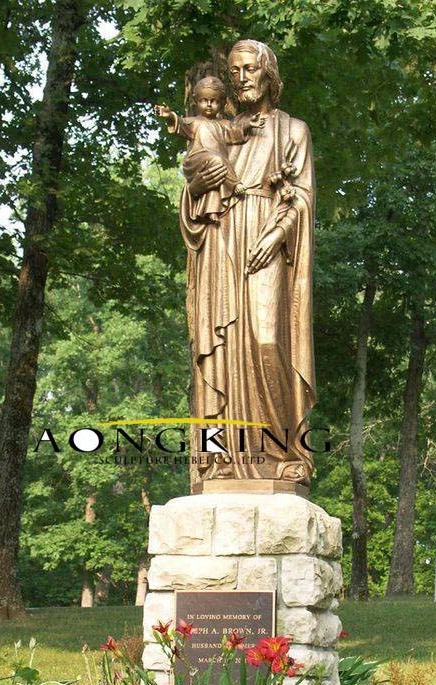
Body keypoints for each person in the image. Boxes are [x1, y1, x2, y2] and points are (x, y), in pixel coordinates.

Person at [179, 40, 316, 489]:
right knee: (219, 351)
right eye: (234, 70)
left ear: (269, 75)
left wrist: (276, 236)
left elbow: (301, 196)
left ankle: (285, 451)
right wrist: (201, 181)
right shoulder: (216, 126)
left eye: (250, 69)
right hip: (221, 242)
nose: (240, 77)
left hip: (266, 238)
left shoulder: (293, 130)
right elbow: (193, 191)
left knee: (268, 340)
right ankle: (217, 457)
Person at [156, 76, 263, 225]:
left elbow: (234, 132)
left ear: (223, 103)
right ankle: (235, 185)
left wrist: (248, 125)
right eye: (203, 101)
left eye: (214, 101)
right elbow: (179, 124)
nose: (209, 105)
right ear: (196, 101)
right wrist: (169, 116)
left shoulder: (224, 124)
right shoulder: (194, 122)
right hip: (196, 160)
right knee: (218, 160)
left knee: (214, 183)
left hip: (214, 163)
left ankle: (210, 212)